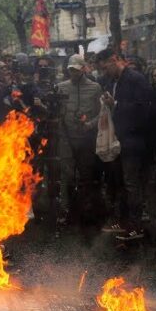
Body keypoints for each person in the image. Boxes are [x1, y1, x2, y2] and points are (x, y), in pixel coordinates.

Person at [95, 49, 155, 241]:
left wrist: (116, 104)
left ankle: (136, 226)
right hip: (120, 140)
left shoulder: (136, 79)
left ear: (115, 60)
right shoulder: (115, 81)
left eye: (106, 68)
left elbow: (145, 109)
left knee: (131, 184)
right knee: (120, 182)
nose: (105, 73)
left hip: (134, 141)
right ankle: (123, 222)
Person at [55, 54, 103, 225]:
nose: (73, 73)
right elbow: (56, 113)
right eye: (70, 70)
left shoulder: (95, 88)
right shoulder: (61, 87)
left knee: (86, 175)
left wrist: (89, 124)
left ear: (83, 68)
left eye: (76, 69)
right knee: (66, 174)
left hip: (86, 139)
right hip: (67, 138)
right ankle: (65, 209)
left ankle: (86, 209)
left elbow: (102, 113)